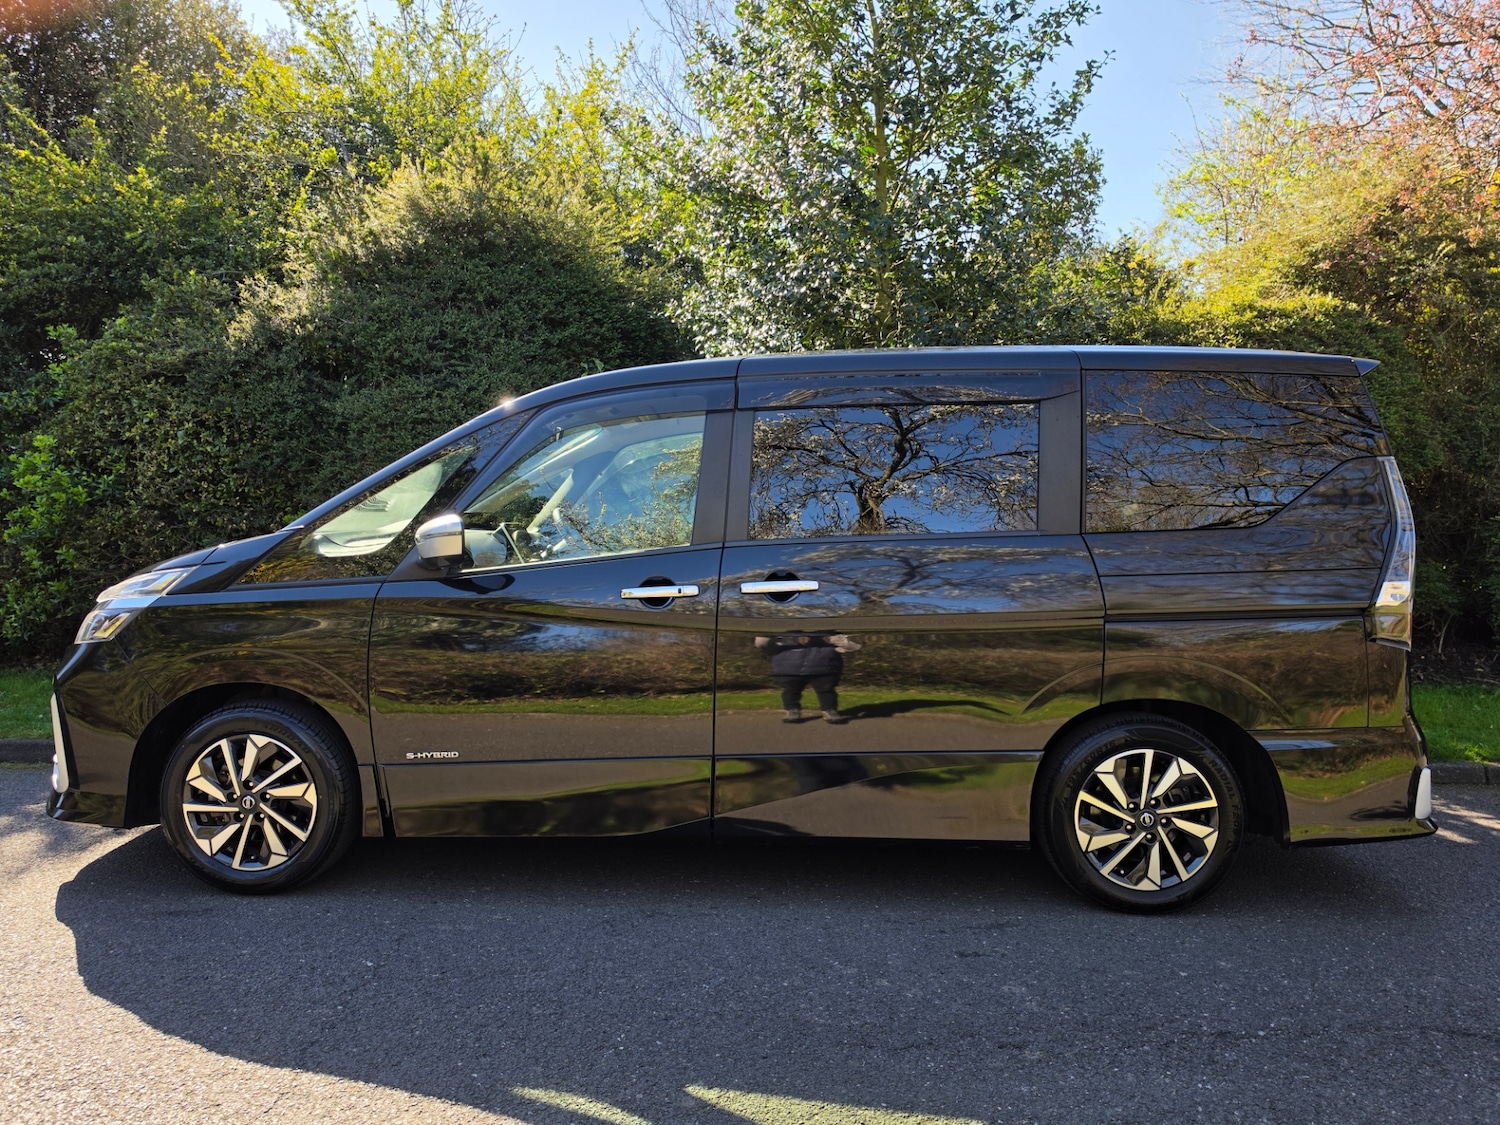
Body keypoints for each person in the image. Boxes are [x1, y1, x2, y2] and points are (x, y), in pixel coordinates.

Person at [754, 632, 859, 723]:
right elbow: (761, 642)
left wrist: (828, 639)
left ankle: (829, 710)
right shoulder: (781, 628)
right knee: (791, 690)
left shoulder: (830, 629)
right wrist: (794, 639)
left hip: (824, 666)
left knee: (826, 691)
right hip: (789, 667)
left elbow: (854, 646)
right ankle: (792, 710)